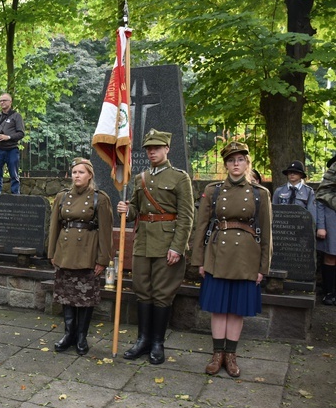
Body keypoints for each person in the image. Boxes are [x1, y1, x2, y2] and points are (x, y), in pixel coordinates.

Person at [191, 141, 272, 377]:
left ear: (247, 163)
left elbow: (266, 233)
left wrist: (263, 267)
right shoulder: (214, 190)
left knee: (237, 310)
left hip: (247, 257)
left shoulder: (260, 193)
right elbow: (201, 227)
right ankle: (217, 354)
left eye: (240, 160)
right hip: (217, 255)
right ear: (226, 164)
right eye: (231, 160)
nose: (235, 164)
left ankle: (231, 355)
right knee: (218, 308)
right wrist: (200, 260)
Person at [116, 129, 194, 365]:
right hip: (143, 243)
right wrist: (126, 211)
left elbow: (186, 216)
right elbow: (136, 211)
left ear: (167, 149)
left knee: (162, 294)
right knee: (142, 291)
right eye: (149, 148)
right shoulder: (140, 179)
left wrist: (177, 247)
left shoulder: (180, 178)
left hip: (167, 244)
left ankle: (157, 343)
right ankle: (143, 340)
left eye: (157, 147)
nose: (152, 151)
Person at [48, 158, 113, 355]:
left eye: (81, 172)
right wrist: (52, 252)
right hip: (66, 252)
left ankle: (82, 336)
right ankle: (69, 334)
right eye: (74, 172)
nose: (77, 175)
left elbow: (106, 231)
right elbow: (54, 227)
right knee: (67, 296)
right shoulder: (62, 197)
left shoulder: (100, 198)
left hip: (87, 254)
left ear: (90, 175)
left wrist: (103, 259)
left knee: (85, 297)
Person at [0, 92, 25, 204]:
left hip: (11, 149)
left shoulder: (16, 116)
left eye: (4, 100)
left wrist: (8, 137)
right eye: (0, 101)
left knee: (14, 175)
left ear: (10, 102)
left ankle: (15, 198)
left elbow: (21, 133)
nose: (2, 102)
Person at [315, 153, 336, 305]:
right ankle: (329, 292)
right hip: (332, 218)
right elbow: (322, 195)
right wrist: (321, 226)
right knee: (331, 255)